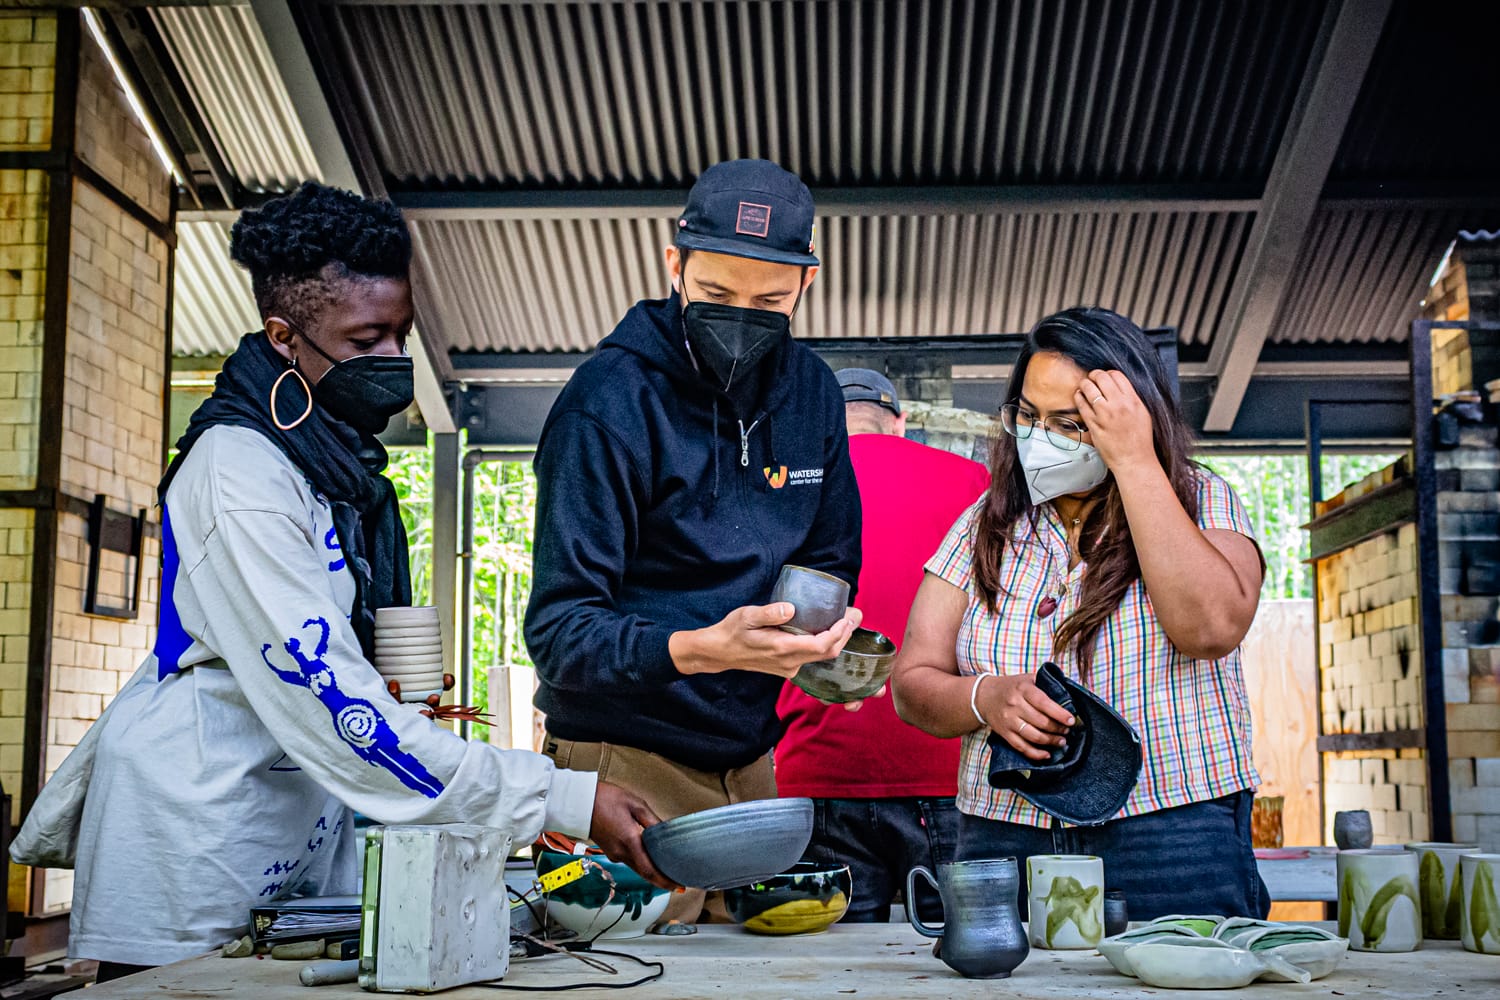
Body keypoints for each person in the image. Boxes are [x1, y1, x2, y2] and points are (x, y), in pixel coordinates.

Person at [12, 183, 665, 980]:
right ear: (285, 337)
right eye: (366, 340)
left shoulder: (334, 469)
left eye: (402, 335)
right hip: (195, 835)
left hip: (295, 822)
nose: (393, 362)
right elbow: (336, 708)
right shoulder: (237, 471)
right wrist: (562, 797)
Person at [524, 159, 863, 928]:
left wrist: (821, 640)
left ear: (806, 285)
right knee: (619, 979)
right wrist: (706, 647)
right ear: (675, 263)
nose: (742, 315)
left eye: (770, 300)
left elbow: (831, 559)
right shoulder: (606, 403)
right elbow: (558, 633)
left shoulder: (812, 392)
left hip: (751, 767)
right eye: (715, 295)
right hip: (620, 766)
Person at [891, 307, 1268, 919]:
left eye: (1072, 422)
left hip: (1172, 832)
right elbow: (912, 684)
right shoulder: (986, 524)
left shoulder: (1200, 498)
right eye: (1030, 417)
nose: (1043, 438)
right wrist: (984, 698)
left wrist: (1136, 462)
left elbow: (1210, 629)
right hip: (1006, 835)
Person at [774, 369, 988, 922]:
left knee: (830, 972)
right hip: (944, 768)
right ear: (899, 421)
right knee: (962, 967)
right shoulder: (972, 481)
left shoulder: (786, 490)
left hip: (816, 771)